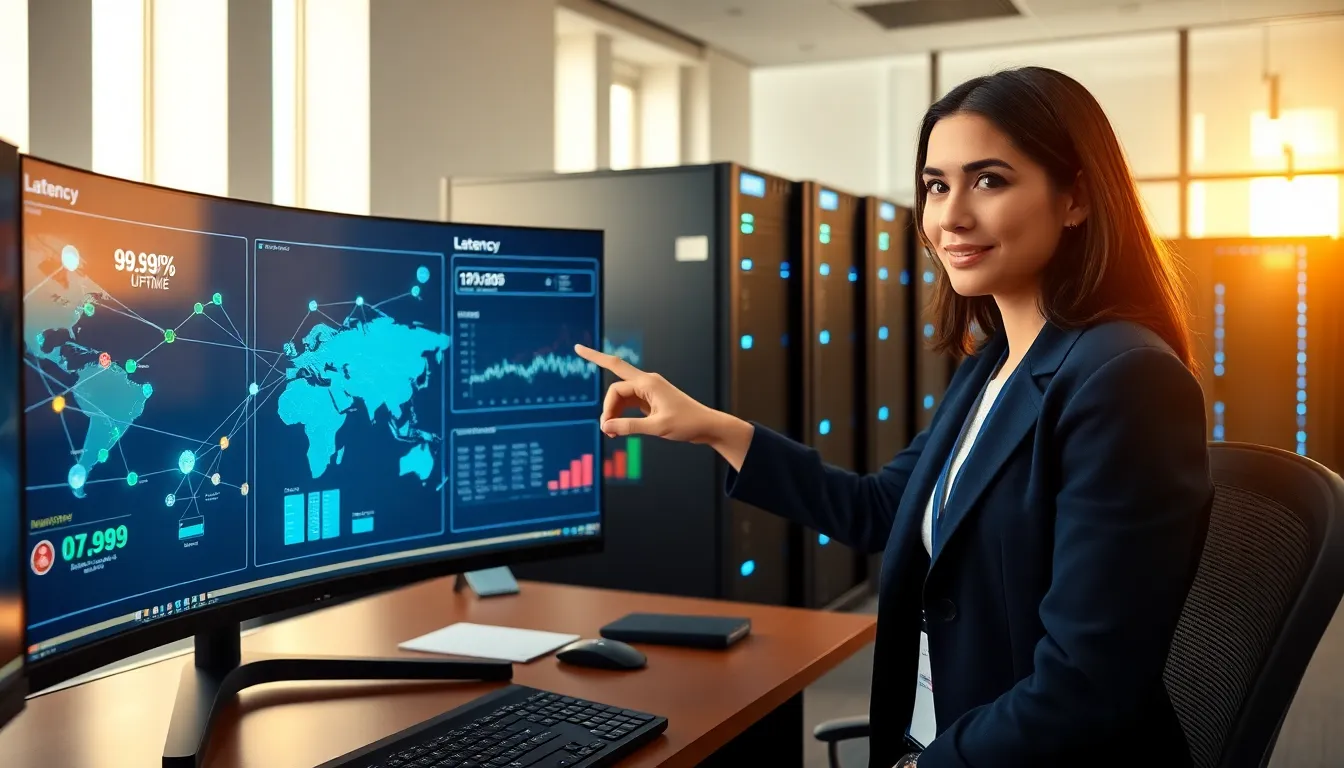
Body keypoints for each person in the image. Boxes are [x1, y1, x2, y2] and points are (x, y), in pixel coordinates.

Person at [575, 65, 1213, 768]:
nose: (950, 217)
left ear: (1076, 199)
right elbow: (881, 508)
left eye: (990, 180)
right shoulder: (990, 367)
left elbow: (1087, 685)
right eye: (937, 186)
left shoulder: (1124, 377)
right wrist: (713, 427)